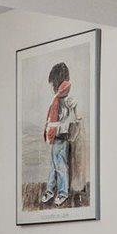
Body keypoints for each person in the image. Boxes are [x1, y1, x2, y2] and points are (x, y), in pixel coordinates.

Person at [41, 60, 81, 206]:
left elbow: (73, 117)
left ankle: (63, 192)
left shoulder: (67, 100)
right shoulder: (57, 100)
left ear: (57, 82)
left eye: (52, 83)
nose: (51, 87)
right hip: (56, 138)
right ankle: (50, 190)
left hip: (62, 138)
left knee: (61, 165)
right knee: (54, 165)